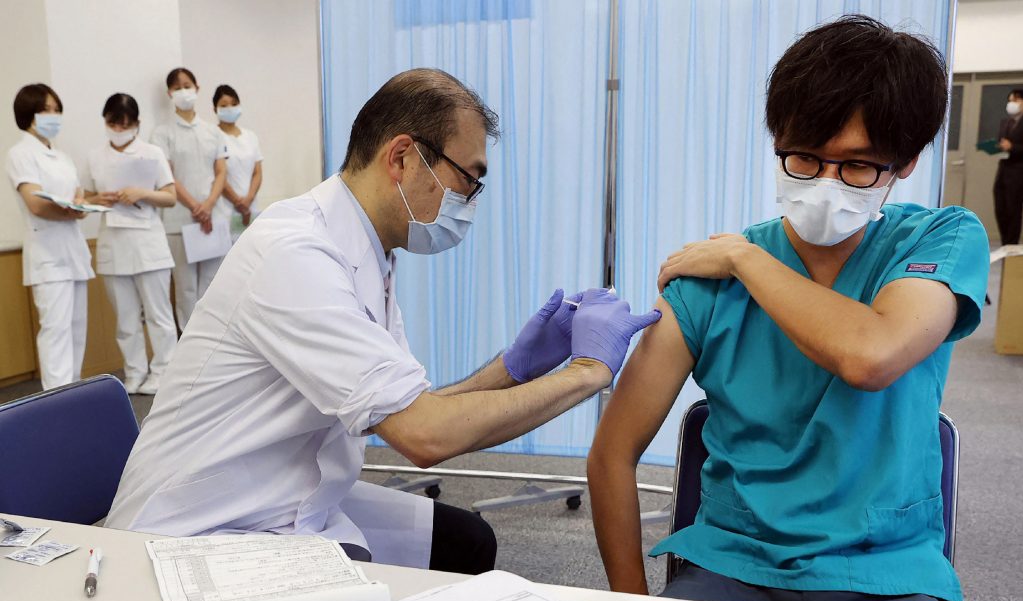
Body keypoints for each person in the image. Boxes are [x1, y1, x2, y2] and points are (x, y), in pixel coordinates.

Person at [106, 68, 659, 574]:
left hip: (289, 492)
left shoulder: (370, 255)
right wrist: (588, 371)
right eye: (468, 178)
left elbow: (403, 409)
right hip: (200, 527)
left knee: (468, 541)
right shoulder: (295, 252)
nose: (470, 200)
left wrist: (513, 368)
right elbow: (422, 436)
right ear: (401, 158)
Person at [588, 15, 989, 601]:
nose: (826, 184)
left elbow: (871, 355)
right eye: (804, 157)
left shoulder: (942, 238)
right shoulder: (704, 283)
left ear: (905, 163)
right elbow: (612, 454)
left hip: (885, 572)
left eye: (857, 166)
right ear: (777, 137)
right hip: (731, 564)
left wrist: (745, 260)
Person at [82, 93, 178, 395]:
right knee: (125, 317)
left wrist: (142, 193)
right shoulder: (94, 156)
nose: (120, 129)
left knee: (158, 314)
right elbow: (84, 197)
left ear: (137, 123)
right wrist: (100, 199)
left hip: (148, 242)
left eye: (126, 124)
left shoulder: (151, 153)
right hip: (113, 241)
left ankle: (164, 372)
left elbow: (171, 196)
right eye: (114, 123)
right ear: (106, 121)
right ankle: (134, 372)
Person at [5, 83, 93, 391]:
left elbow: (77, 195)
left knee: (76, 329)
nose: (53, 116)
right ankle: (56, 401)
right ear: (28, 113)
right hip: (47, 254)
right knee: (56, 330)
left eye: (57, 110)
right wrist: (70, 210)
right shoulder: (20, 153)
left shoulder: (62, 156)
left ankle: (75, 396)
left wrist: (79, 206)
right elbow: (34, 203)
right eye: (45, 110)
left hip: (73, 250)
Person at [150, 67, 228, 330]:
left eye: (188, 85)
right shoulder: (162, 133)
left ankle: (213, 338)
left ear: (197, 87)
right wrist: (195, 206)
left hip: (211, 219)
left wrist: (207, 206)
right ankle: (189, 340)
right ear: (170, 93)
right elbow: (167, 175)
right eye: (177, 87)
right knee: (185, 289)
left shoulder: (213, 132)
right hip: (179, 222)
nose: (184, 91)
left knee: (213, 285)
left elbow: (220, 172)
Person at [212, 84, 262, 241]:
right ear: (215, 109)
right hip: (224, 208)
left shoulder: (250, 136)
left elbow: (257, 172)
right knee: (224, 258)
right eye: (224, 105)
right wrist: (237, 201)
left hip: (250, 207)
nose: (230, 108)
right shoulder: (213, 136)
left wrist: (248, 199)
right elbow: (218, 173)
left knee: (250, 252)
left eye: (234, 104)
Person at [994, 88, 1023, 246]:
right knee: (1000, 208)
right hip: (1003, 170)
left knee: (1013, 210)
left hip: (1019, 172)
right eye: (1010, 100)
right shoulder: (1005, 122)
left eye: (1016, 100)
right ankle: (1005, 243)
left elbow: (1015, 146)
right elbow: (1002, 143)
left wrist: (1013, 147)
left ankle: (1011, 245)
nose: (1011, 104)